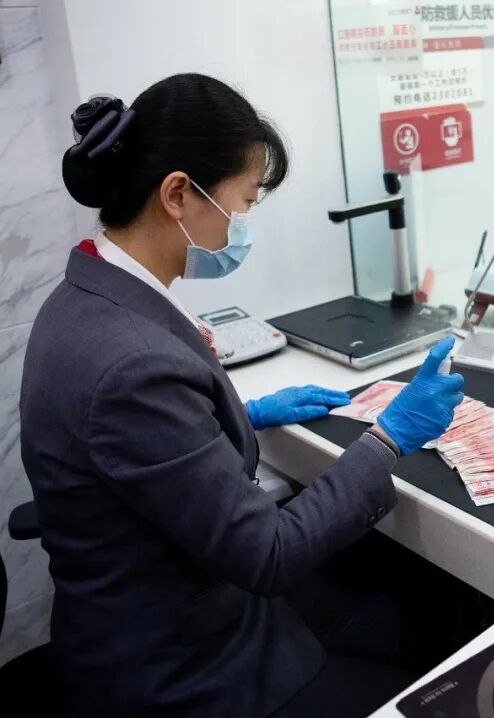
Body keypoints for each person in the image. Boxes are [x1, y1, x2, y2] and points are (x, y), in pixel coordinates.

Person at [20, 73, 465, 716]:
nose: (245, 222)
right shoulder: (133, 365)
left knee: (399, 617)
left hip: (154, 610)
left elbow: (134, 452)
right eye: (245, 200)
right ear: (178, 193)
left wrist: (243, 415)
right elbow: (270, 554)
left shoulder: (84, 294)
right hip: (184, 670)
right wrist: (389, 437)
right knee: (436, 659)